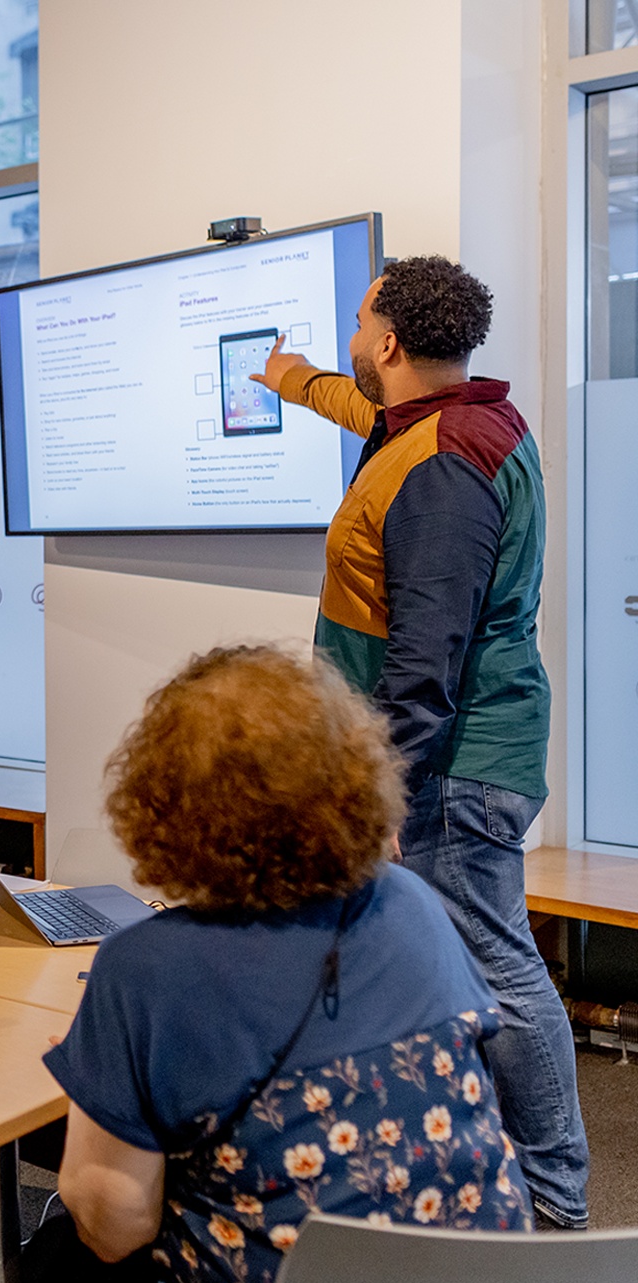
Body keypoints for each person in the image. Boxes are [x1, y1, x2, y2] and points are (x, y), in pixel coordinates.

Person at [45, 646, 531, 1283]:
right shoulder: (410, 903)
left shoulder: (145, 968)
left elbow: (114, 1226)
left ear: (164, 801)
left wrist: (97, 1080)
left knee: (51, 1272)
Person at [252, 255, 586, 1230]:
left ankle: (557, 1204)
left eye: (357, 323)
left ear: (388, 342)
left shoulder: (441, 463)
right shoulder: (436, 426)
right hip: (465, 753)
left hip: (450, 766)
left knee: (499, 968)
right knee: (465, 965)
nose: (351, 339)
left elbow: (425, 655)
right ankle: (484, 1178)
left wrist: (379, 791)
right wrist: (292, 381)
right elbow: (366, 418)